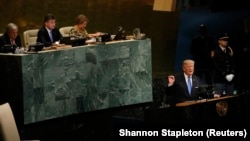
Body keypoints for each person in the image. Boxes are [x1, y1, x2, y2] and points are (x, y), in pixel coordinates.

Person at [213, 33, 235, 98]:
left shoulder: (229, 50)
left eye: (226, 40)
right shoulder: (215, 51)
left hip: (230, 80)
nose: (226, 41)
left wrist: (232, 73)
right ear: (219, 41)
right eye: (224, 40)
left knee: (231, 99)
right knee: (218, 100)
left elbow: (233, 63)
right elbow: (216, 65)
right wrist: (225, 74)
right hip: (220, 80)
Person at [236, 18, 250, 94]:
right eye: (246, 23)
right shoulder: (241, 35)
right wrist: (243, 49)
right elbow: (237, 46)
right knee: (242, 75)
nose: (247, 25)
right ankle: (241, 90)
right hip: (242, 60)